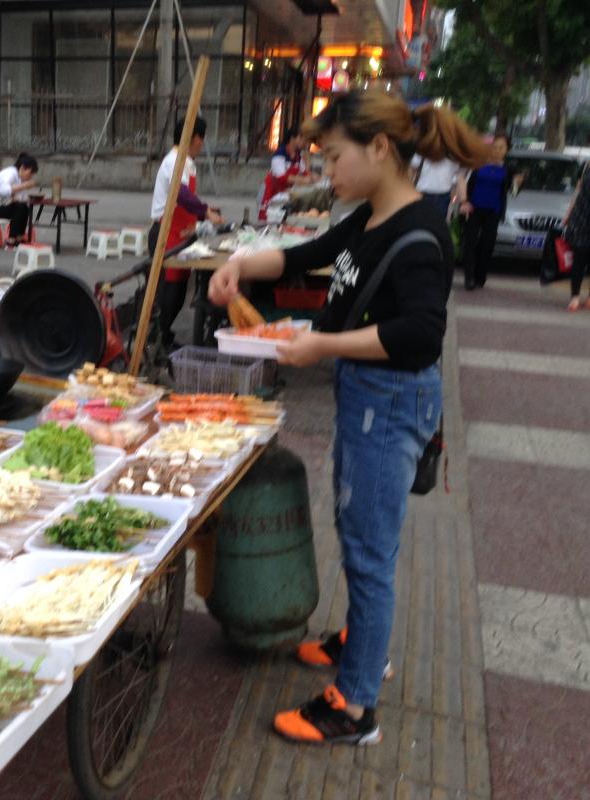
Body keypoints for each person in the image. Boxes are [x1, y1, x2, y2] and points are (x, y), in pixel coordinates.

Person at [209, 90, 490, 746]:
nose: (326, 171)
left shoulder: (419, 234)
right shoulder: (370, 216)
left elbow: (420, 333)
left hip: (389, 402)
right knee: (355, 525)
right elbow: (305, 255)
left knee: (367, 552)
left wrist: (323, 345)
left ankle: (356, 706)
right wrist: (237, 265)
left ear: (380, 148)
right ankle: (360, 641)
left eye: (334, 157)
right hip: (366, 397)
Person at [149, 115, 224, 348]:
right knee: (169, 293)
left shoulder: (187, 163)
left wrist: (203, 212)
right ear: (195, 138)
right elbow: (180, 194)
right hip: (166, 234)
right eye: (202, 138)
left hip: (181, 233)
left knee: (179, 291)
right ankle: (157, 341)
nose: (202, 144)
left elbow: (188, 200)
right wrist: (205, 211)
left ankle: (164, 337)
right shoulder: (174, 160)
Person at [459, 134, 512, 290]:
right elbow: (465, 182)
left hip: (493, 211)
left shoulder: (508, 169)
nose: (497, 150)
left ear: (507, 150)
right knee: (470, 243)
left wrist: (518, 183)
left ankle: (480, 276)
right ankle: (469, 278)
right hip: (473, 209)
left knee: (487, 244)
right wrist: (464, 201)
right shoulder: (477, 164)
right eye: (495, 147)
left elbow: (512, 190)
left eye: (501, 147)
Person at [0, 153, 38, 247]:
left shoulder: (18, 177)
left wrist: (25, 196)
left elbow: (17, 197)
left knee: (24, 206)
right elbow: (4, 190)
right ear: (22, 168)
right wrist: (25, 186)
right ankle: (11, 239)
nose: (30, 177)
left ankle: (19, 237)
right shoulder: (10, 173)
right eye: (30, 173)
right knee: (19, 207)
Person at [259, 130, 315, 221]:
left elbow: (305, 172)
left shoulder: (298, 156)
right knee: (269, 219)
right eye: (301, 138)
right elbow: (281, 176)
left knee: (284, 220)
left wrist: (315, 177)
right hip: (271, 192)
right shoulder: (280, 154)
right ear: (292, 139)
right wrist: (303, 180)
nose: (303, 141)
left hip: (285, 193)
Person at [562, 162, 590, 311]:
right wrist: (568, 213)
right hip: (581, 218)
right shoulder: (586, 166)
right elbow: (578, 191)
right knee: (578, 259)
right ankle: (575, 297)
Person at [412, 154, 461, 219]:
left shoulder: (454, 153)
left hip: (443, 195)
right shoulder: (422, 150)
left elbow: (456, 175)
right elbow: (413, 170)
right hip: (423, 192)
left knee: (435, 221)